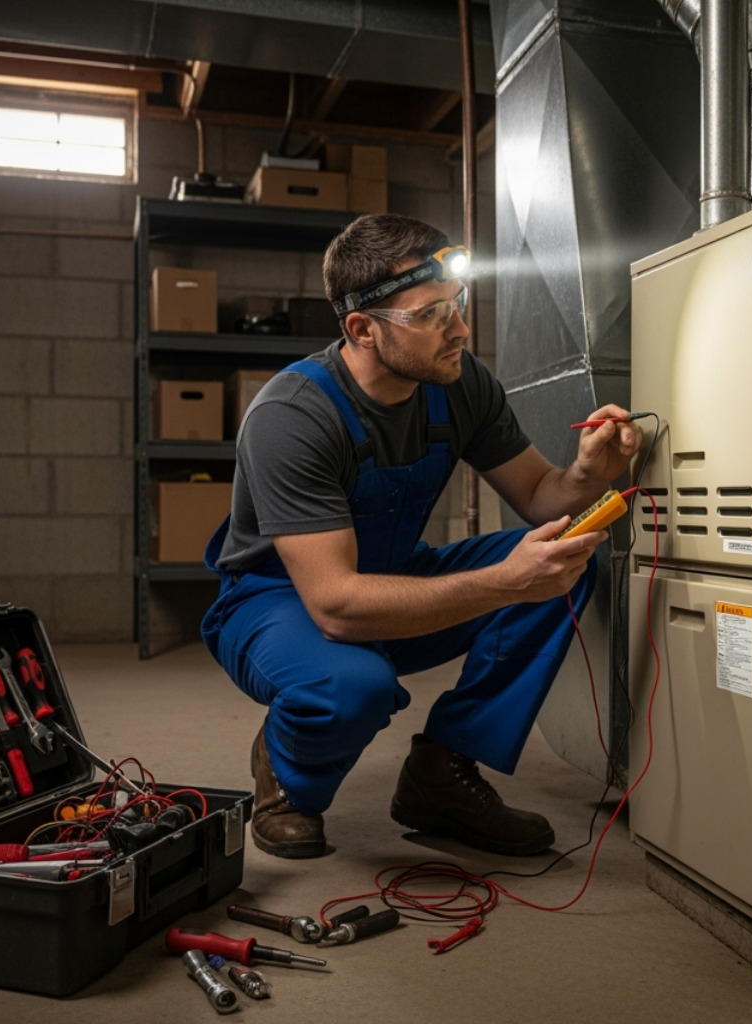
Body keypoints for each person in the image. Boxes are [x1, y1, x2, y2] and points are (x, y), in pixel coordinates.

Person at [200, 213, 639, 859]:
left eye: (456, 306)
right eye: (431, 313)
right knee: (352, 685)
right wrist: (500, 584)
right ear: (362, 329)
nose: (459, 328)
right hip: (279, 601)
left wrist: (586, 472)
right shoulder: (293, 416)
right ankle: (286, 779)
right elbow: (336, 605)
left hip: (392, 574)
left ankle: (443, 772)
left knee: (562, 558)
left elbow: (543, 497)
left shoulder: (461, 385)